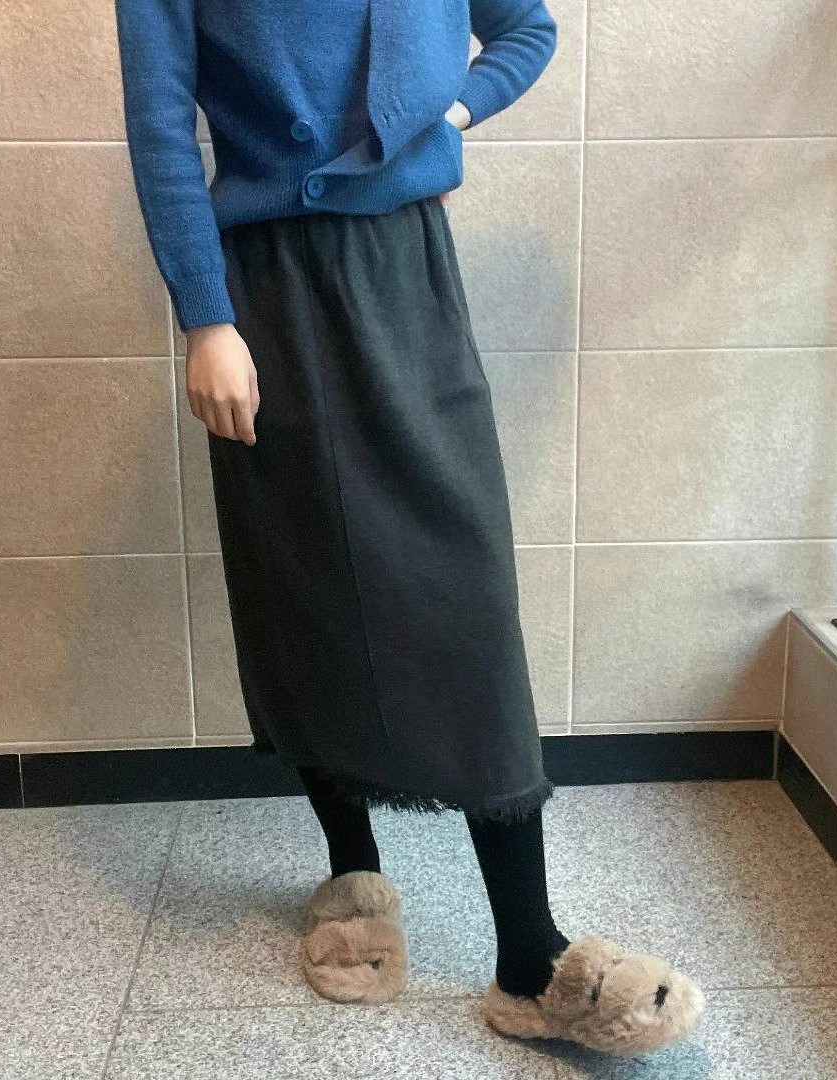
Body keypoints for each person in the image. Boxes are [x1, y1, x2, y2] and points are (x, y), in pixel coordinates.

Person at [114, 0, 702, 1055]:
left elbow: (524, 29)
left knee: (460, 585)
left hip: (410, 260)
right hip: (267, 283)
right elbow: (160, 126)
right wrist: (205, 316)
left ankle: (528, 957)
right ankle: (353, 875)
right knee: (301, 582)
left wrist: (451, 113)